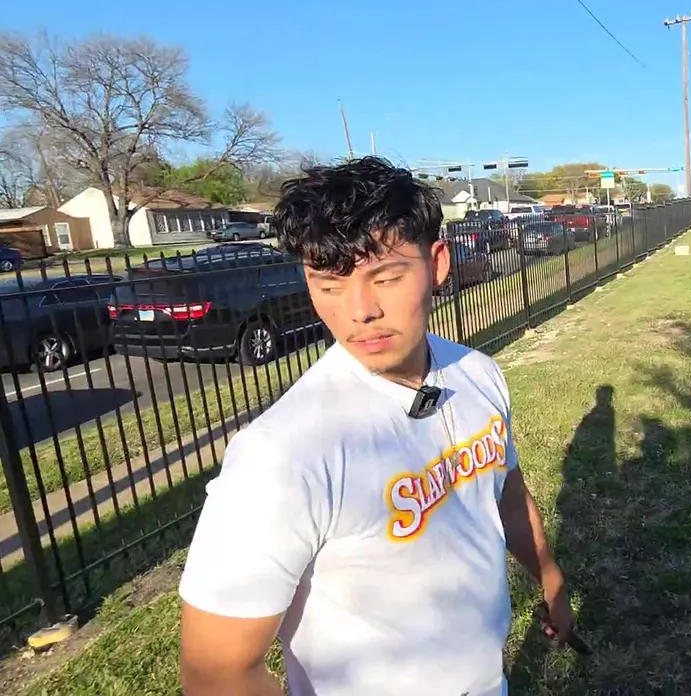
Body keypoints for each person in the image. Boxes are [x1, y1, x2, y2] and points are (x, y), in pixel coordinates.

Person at [177, 157, 575, 696]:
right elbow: (216, 673)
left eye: (385, 277)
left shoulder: (478, 374)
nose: (360, 311)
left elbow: (505, 489)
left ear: (437, 264)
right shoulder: (282, 455)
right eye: (329, 285)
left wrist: (548, 574)